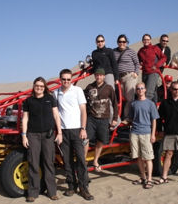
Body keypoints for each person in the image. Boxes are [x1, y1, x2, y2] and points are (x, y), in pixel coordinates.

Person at [53, 69, 94, 201]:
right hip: (63, 131)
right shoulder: (56, 93)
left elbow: (83, 110)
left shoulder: (77, 91)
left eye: (68, 79)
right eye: (64, 79)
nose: (66, 82)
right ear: (60, 79)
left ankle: (84, 188)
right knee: (67, 161)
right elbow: (54, 112)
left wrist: (83, 128)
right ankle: (71, 186)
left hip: (77, 130)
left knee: (81, 160)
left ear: (71, 80)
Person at [22, 77, 63, 202]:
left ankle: (52, 192)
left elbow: (56, 115)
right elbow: (25, 118)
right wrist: (24, 135)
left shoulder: (50, 99)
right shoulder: (28, 101)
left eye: (41, 86)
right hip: (33, 135)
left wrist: (59, 132)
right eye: (37, 86)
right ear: (33, 86)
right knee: (33, 163)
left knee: (49, 163)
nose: (39, 88)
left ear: (44, 87)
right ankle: (33, 193)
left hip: (48, 135)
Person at [84, 68, 118, 172]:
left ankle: (95, 160)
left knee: (101, 140)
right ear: (95, 76)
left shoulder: (108, 88)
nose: (98, 77)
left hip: (104, 118)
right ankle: (83, 161)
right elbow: (82, 100)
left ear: (104, 76)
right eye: (97, 75)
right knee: (85, 139)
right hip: (91, 118)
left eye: (101, 75)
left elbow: (115, 103)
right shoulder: (89, 87)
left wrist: (115, 118)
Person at [129, 82, 159, 189]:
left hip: (146, 133)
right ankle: (143, 177)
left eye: (142, 88)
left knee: (148, 157)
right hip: (134, 133)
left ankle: (149, 179)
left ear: (145, 90)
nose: (140, 90)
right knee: (138, 157)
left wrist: (153, 134)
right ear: (136, 91)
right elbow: (131, 119)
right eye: (138, 89)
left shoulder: (150, 104)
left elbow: (154, 120)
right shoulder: (133, 104)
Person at [113, 34, 140, 123]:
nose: (122, 43)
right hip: (119, 78)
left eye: (124, 42)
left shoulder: (131, 52)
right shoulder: (114, 52)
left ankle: (128, 118)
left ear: (126, 42)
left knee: (129, 97)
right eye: (120, 42)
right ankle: (121, 117)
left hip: (129, 76)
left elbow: (137, 63)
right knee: (121, 98)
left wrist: (136, 73)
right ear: (117, 42)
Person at [138, 34, 167, 102]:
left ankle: (145, 110)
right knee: (152, 92)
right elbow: (138, 60)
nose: (146, 41)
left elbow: (164, 57)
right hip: (145, 73)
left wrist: (157, 65)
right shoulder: (141, 51)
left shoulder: (155, 48)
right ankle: (155, 110)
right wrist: (140, 62)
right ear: (142, 41)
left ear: (150, 40)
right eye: (144, 39)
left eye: (148, 39)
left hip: (153, 73)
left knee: (148, 94)